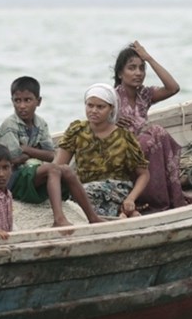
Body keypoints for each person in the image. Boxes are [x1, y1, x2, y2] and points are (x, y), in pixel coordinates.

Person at [0, 76, 104, 226]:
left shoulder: (41, 123)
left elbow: (51, 154)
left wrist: (27, 149)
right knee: (53, 169)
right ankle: (59, 219)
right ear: (12, 101)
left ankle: (92, 217)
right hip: (14, 178)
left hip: (33, 173)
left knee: (66, 169)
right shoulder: (10, 125)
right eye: (17, 100)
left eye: (27, 100)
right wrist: (36, 151)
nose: (22, 106)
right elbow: (13, 159)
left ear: (38, 101)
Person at [113, 41, 192, 214]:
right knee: (154, 133)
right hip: (119, 156)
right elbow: (95, 123)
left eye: (141, 68)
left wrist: (148, 58)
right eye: (131, 68)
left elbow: (173, 88)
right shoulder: (111, 97)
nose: (138, 73)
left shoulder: (145, 94)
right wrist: (112, 123)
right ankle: (154, 198)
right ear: (120, 73)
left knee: (156, 134)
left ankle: (164, 195)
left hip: (143, 152)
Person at [55, 83, 150, 218]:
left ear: (111, 109)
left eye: (100, 107)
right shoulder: (77, 131)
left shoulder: (124, 137)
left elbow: (143, 174)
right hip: (82, 189)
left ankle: (120, 211)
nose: (94, 111)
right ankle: (120, 214)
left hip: (116, 189)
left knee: (85, 195)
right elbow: (57, 166)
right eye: (90, 105)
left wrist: (131, 199)